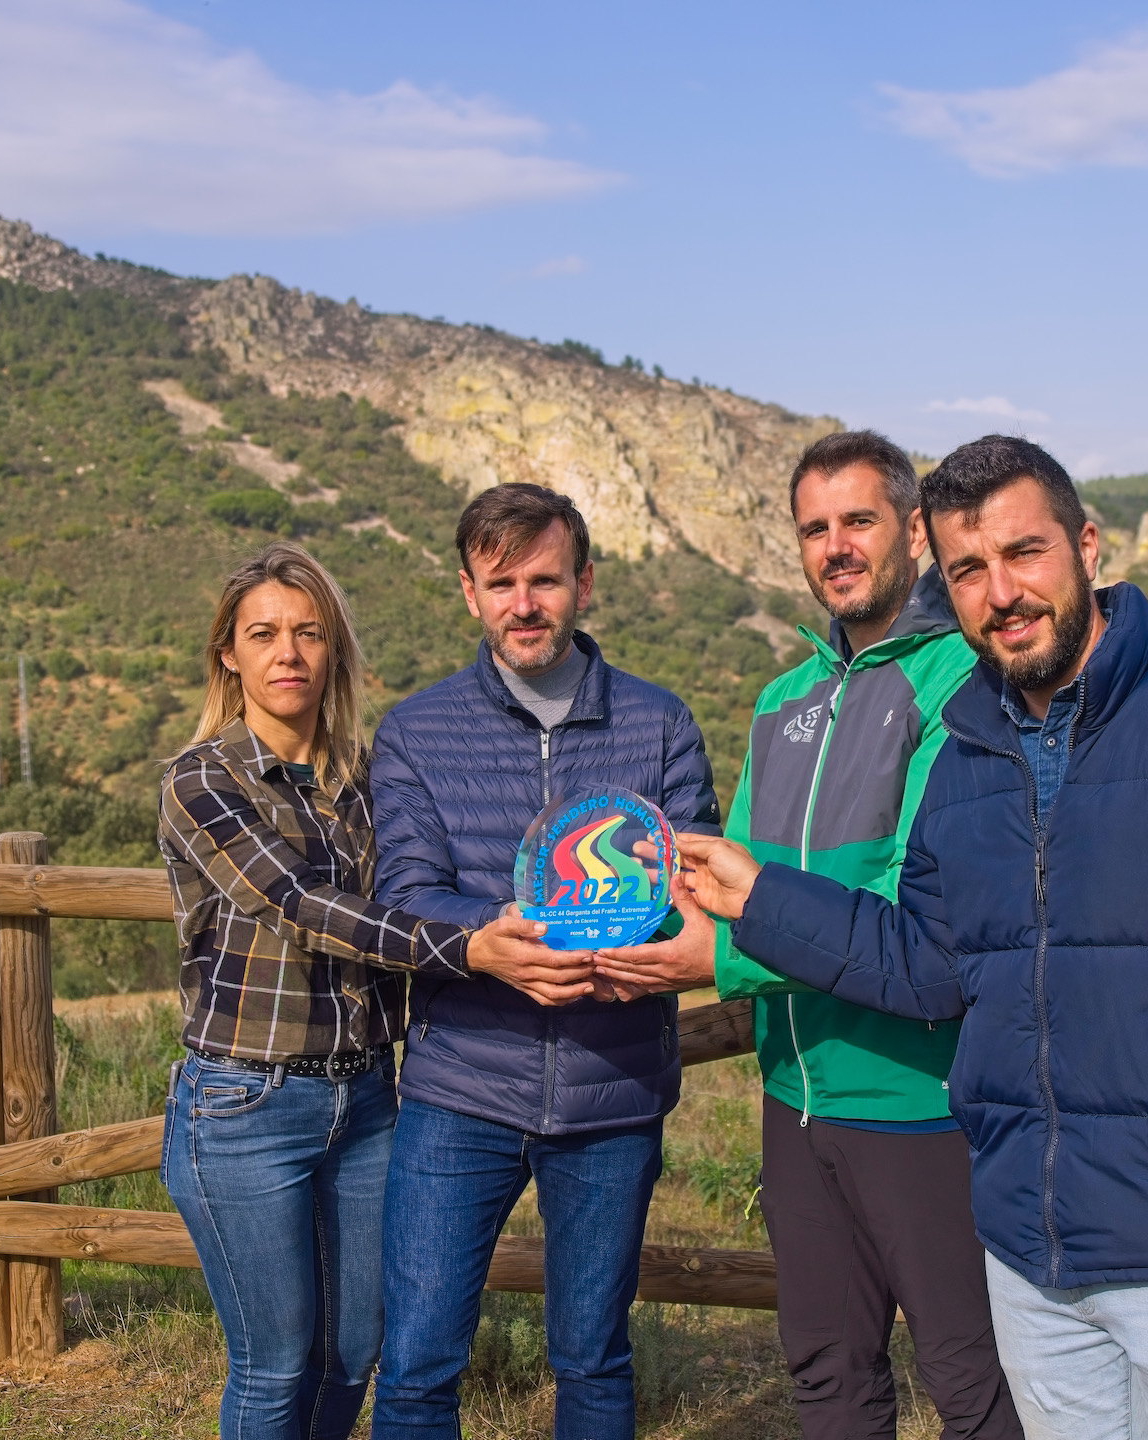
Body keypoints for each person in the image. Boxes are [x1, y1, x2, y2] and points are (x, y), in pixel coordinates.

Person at [669, 436, 1148, 1440]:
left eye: (1026, 554)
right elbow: (928, 962)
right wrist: (765, 899)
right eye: (971, 570)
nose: (1002, 593)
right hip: (1035, 1264)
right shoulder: (972, 757)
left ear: (1088, 542)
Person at [596, 431, 1023, 1440]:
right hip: (794, 1099)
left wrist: (722, 955)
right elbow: (735, 879)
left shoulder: (964, 682)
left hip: (924, 1103)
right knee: (827, 1381)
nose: (835, 547)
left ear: (913, 531)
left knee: (975, 1387)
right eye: (814, 528)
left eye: (859, 521)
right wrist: (622, 931)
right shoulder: (783, 700)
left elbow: (909, 902)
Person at [157, 541, 587, 1440]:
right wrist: (471, 947)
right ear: (227, 654)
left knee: (356, 1349)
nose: (288, 653)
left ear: (334, 651)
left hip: (365, 1097)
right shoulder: (202, 779)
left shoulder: (361, 776)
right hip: (247, 1099)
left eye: (308, 633)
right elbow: (303, 907)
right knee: (274, 1367)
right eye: (264, 634)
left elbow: (414, 885)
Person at [369, 483, 722, 1440]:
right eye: (501, 583)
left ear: (585, 583)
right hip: (459, 1092)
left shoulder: (660, 726)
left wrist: (648, 933)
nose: (525, 603)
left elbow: (698, 885)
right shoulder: (414, 731)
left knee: (595, 1361)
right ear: (468, 593)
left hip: (614, 1094)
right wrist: (491, 943)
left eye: (545, 580)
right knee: (414, 1366)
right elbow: (402, 896)